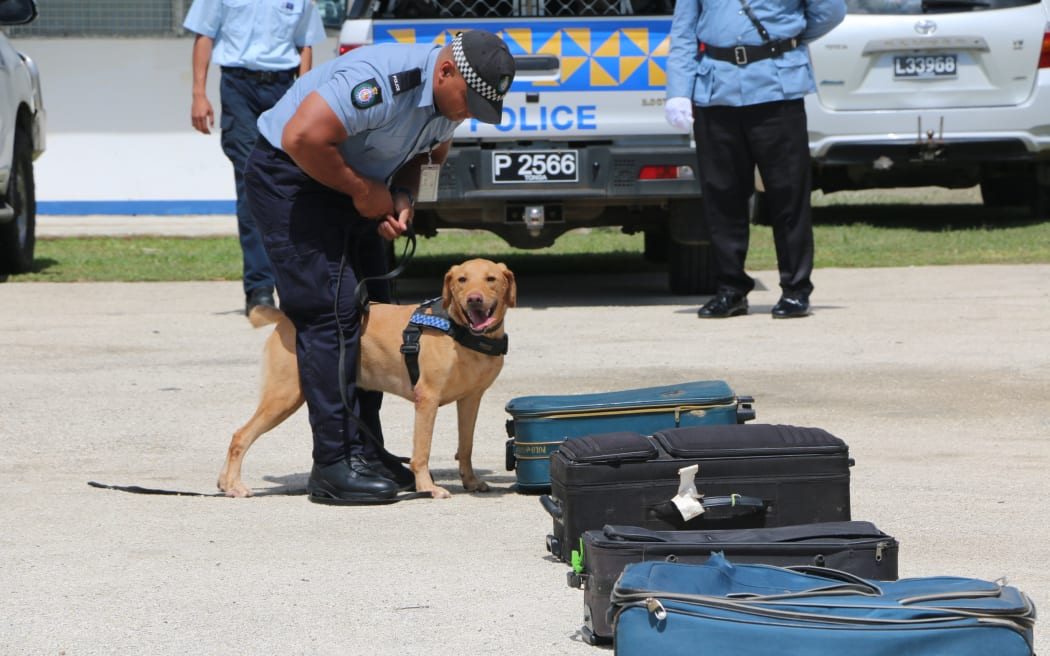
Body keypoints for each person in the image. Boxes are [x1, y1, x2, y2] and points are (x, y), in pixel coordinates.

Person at [243, 30, 515, 503]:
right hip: (294, 177)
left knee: (371, 315)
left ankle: (365, 451)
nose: (468, 113)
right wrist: (361, 191)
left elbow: (428, 155)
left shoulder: (447, 101)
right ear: (446, 72)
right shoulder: (382, 80)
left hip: (359, 182)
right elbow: (302, 137)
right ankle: (333, 462)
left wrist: (403, 198)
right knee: (329, 314)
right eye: (469, 102)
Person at [665, 0, 845, 318]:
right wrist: (678, 90)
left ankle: (795, 289)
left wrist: (788, 39)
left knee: (788, 193)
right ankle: (730, 289)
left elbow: (830, 12)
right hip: (715, 88)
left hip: (776, 87)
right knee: (722, 195)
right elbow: (683, 32)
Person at [183, 0, 326, 318]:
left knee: (291, 184)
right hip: (238, 87)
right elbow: (204, 35)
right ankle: (259, 288)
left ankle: (296, 285)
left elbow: (305, 46)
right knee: (251, 182)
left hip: (283, 88)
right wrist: (198, 94)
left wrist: (302, 96)